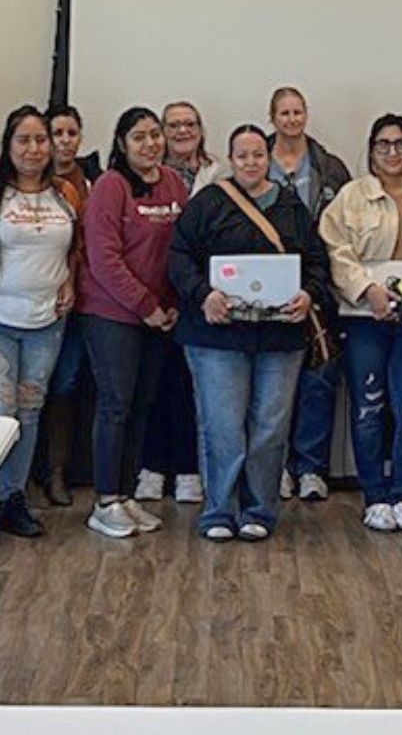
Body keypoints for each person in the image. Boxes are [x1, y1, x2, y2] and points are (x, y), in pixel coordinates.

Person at [167, 125, 330, 541]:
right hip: (217, 338)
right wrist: (203, 294)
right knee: (221, 425)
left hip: (280, 340)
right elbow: (178, 258)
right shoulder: (207, 204)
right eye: (243, 155)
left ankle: (259, 509)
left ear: (269, 159)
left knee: (270, 427)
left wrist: (309, 296)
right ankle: (219, 510)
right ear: (231, 158)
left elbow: (317, 263)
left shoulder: (291, 208)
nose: (252, 163)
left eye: (259, 155)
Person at [0, 106, 86, 546]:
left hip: (46, 320)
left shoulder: (66, 192)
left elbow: (74, 249)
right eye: (23, 140)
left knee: (29, 412)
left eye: (41, 140)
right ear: (8, 146)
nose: (34, 149)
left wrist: (70, 280)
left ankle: (13, 498)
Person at [320, 114, 402, 534]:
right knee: (368, 408)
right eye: (383, 145)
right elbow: (335, 251)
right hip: (364, 321)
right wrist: (365, 289)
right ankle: (375, 496)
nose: (392, 153)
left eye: (400, 144)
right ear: (371, 149)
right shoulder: (350, 197)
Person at [80, 107, 188, 540]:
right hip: (112, 314)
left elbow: (181, 247)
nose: (150, 144)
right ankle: (105, 500)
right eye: (139, 137)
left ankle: (126, 495)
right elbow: (104, 259)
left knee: (142, 404)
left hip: (159, 316)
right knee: (115, 404)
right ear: (122, 143)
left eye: (155, 135)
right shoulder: (110, 186)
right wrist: (146, 306)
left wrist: (173, 302)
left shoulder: (173, 182)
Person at [265, 86, 354, 502]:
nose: (291, 119)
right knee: (273, 383)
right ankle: (276, 465)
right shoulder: (255, 160)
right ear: (272, 117)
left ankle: (311, 468)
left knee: (318, 379)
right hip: (266, 282)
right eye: (284, 112)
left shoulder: (330, 167)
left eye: (298, 111)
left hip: (318, 280)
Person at [133, 101, 219, 506]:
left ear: (202, 129)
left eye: (190, 124)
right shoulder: (145, 175)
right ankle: (151, 467)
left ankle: (188, 469)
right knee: (151, 385)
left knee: (189, 387)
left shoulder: (220, 173)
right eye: (173, 125)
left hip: (202, 297)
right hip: (153, 298)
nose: (182, 131)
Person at [42, 104, 95, 505]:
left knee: (66, 385)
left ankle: (58, 471)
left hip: (77, 303)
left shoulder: (91, 182)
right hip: (30, 301)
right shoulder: (27, 182)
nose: (64, 141)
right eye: (55, 133)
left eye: (70, 133)